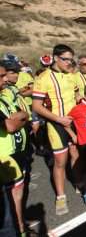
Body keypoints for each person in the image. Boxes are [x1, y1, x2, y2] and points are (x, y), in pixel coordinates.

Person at [32, 44, 82, 215]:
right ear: (55, 58)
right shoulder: (43, 78)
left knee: (76, 154)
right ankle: (60, 196)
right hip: (56, 124)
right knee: (60, 161)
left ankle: (79, 182)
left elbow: (76, 97)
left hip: (73, 122)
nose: (69, 63)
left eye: (71, 59)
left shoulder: (72, 76)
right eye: (65, 59)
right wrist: (58, 119)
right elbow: (36, 107)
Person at [0, 61, 30, 235]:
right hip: (6, 155)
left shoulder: (4, 96)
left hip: (18, 151)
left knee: (19, 194)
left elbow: (19, 113)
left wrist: (23, 115)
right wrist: (23, 117)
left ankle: (20, 223)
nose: (6, 79)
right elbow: (10, 126)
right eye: (2, 76)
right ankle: (19, 229)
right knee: (13, 196)